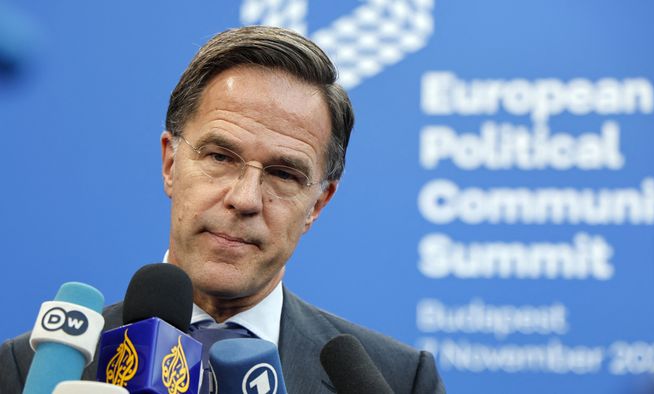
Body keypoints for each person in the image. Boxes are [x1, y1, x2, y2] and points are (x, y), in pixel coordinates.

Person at [0, 26, 445, 393]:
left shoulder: (398, 380)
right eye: (220, 157)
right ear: (171, 164)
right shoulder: (30, 369)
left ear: (318, 204)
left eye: (284, 175)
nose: (245, 198)